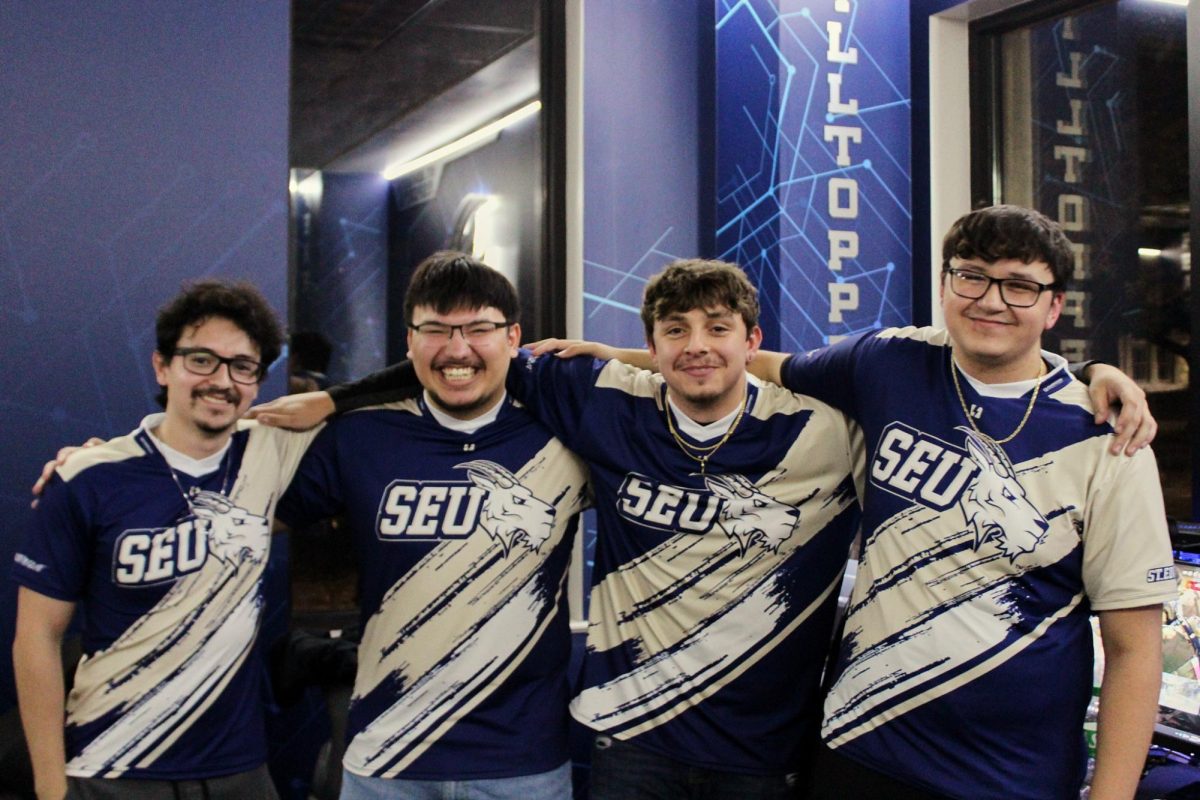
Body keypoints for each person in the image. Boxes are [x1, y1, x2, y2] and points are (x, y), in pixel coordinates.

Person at [256, 259, 865, 798]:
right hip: (623, 741)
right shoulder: (600, 406)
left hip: (759, 749)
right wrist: (335, 400)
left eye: (717, 329)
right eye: (675, 331)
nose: (696, 346)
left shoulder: (829, 431)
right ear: (652, 346)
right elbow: (457, 356)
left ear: (753, 340)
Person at [749, 205, 1170, 800]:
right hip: (858, 748)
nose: (991, 301)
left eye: (1020, 285)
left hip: (1009, 778)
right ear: (945, 284)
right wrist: (603, 359)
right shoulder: (889, 361)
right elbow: (753, 365)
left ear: (1054, 307)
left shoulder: (1108, 437)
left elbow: (1134, 649)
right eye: (970, 275)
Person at [273, 252, 589, 799]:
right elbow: (241, 507)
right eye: (436, 330)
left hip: (521, 763)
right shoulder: (359, 438)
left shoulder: (566, 435)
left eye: (478, 329)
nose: (457, 348)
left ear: (513, 337)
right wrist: (99, 465)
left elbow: (690, 390)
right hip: (385, 759)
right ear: (410, 342)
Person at [13, 280, 320, 800]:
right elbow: (37, 639)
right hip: (112, 769)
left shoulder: (271, 453)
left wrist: (331, 398)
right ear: (163, 366)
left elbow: (399, 403)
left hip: (238, 772)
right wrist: (50, 786)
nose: (222, 381)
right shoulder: (89, 476)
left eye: (242, 367)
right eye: (202, 360)